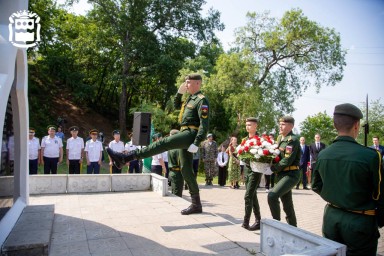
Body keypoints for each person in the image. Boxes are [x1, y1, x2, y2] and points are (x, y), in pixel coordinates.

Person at [107, 73, 209, 215]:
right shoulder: (189, 99)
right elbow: (175, 106)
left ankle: (127, 158)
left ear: (197, 83)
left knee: (163, 143)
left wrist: (197, 142)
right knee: (186, 170)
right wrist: (179, 93)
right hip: (184, 133)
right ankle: (196, 204)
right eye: (185, 82)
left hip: (190, 134)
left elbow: (204, 125)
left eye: (188, 82)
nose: (186, 85)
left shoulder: (201, 100)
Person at [312, 103, 383, 255]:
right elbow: (379, 193)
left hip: (331, 218)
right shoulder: (371, 155)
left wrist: (335, 196)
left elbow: (316, 185)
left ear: (334, 124)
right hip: (360, 222)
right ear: (357, 125)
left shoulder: (324, 154)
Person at [268, 116, 300, 227]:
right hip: (281, 175)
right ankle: (293, 229)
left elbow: (287, 160)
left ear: (291, 126)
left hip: (290, 174)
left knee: (272, 196)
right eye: (280, 124)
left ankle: (276, 225)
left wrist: (273, 168)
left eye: (283, 124)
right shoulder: (279, 138)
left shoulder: (292, 140)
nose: (280, 126)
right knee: (287, 205)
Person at [241, 117, 263, 231]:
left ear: (255, 126)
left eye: (250, 125)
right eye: (246, 124)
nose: (247, 126)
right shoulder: (244, 139)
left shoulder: (260, 140)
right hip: (247, 169)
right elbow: (242, 155)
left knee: (248, 196)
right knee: (253, 196)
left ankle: (246, 222)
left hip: (255, 170)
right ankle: (258, 220)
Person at [168, 129, 184, 197]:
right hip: (177, 174)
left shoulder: (170, 146)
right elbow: (181, 163)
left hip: (172, 172)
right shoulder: (178, 148)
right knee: (177, 195)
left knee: (173, 192)